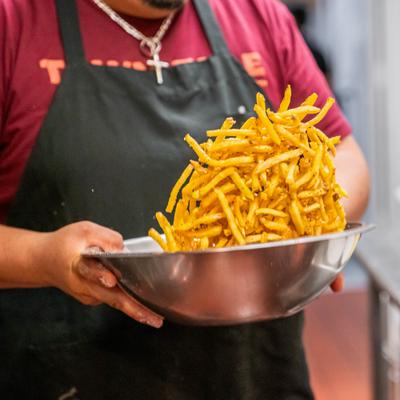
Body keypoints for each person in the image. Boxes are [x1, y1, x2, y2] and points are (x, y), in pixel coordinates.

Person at [0, 0, 370, 399]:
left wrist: (312, 229)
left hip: (258, 378)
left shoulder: (258, 15)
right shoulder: (13, 23)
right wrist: (43, 257)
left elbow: (345, 155)